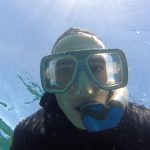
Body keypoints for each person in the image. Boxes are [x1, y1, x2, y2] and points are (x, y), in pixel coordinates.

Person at [11, 27, 150, 150]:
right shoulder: (29, 137)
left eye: (96, 68)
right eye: (65, 72)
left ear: (111, 78)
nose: (84, 89)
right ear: (52, 87)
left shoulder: (144, 126)